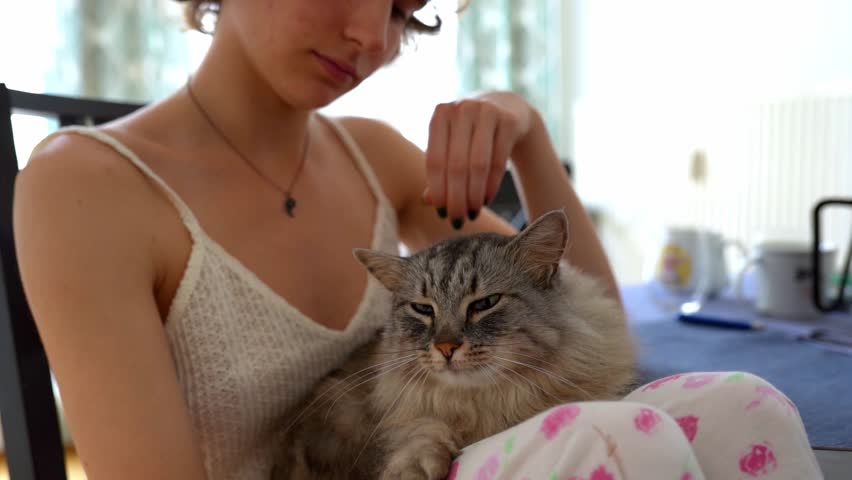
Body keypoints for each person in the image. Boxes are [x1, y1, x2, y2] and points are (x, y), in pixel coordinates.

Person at [12, 1, 822, 479]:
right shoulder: (85, 185)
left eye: (402, 8)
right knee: (614, 439)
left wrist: (529, 134)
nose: (372, 35)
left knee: (737, 403)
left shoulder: (375, 155)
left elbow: (588, 321)